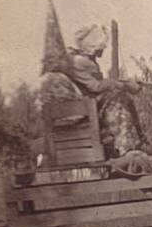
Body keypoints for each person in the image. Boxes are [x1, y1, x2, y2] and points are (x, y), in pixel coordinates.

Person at [40, 24, 144, 157]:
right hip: (80, 113)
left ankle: (135, 143)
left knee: (121, 95)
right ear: (92, 46)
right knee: (119, 99)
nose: (104, 47)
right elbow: (96, 87)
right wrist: (124, 85)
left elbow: (96, 85)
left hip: (82, 109)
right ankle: (128, 147)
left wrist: (122, 84)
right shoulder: (79, 62)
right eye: (101, 45)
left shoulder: (77, 60)